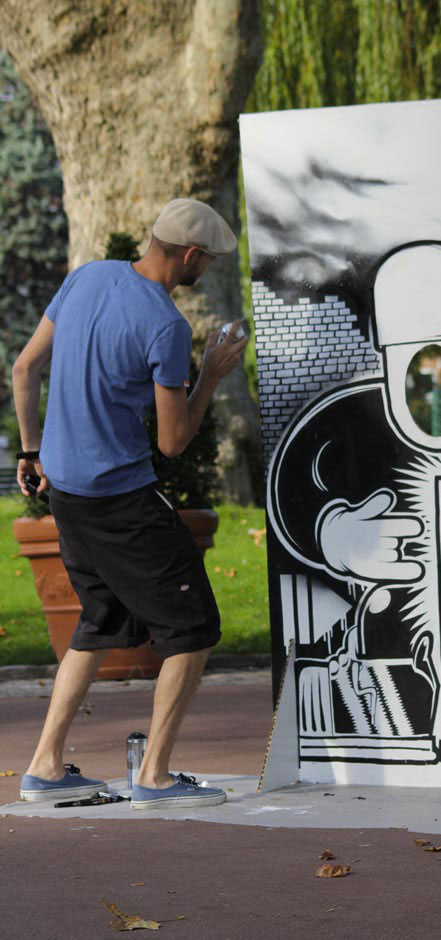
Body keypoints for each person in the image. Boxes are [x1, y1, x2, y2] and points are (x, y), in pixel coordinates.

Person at [12, 197, 247, 809]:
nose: (206, 270)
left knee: (99, 621)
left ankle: (44, 767)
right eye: (208, 260)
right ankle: (155, 778)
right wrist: (211, 375)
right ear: (190, 255)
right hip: (121, 500)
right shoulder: (166, 325)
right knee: (192, 629)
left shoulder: (86, 277)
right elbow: (172, 442)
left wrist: (32, 451)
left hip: (66, 494)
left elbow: (24, 368)